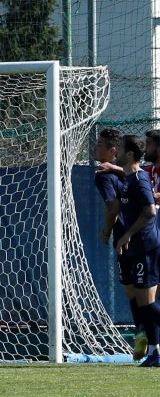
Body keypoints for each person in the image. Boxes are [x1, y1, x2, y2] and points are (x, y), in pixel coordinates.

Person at [94, 128, 147, 360]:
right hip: (147, 236)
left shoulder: (103, 176)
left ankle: (144, 333)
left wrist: (106, 231)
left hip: (127, 239)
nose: (95, 148)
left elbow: (113, 207)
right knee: (146, 289)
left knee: (134, 291)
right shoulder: (132, 173)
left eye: (99, 145)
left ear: (113, 151)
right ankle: (145, 335)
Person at [115, 135, 160, 366]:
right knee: (144, 304)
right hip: (138, 247)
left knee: (147, 304)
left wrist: (127, 234)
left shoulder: (140, 180)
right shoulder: (128, 178)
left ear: (130, 154)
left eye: (120, 148)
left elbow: (150, 211)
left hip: (145, 246)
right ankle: (154, 353)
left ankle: (155, 352)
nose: (116, 151)